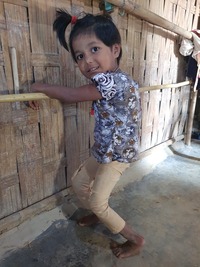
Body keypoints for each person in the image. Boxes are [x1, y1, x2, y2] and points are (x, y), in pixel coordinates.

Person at [30, 9, 145, 259]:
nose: (87, 61)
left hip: (117, 155)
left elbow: (70, 96)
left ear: (115, 49)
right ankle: (97, 212)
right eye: (80, 56)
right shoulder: (109, 80)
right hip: (104, 149)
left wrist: (38, 87)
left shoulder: (113, 82)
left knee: (96, 200)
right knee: (79, 182)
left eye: (94, 50)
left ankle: (135, 239)